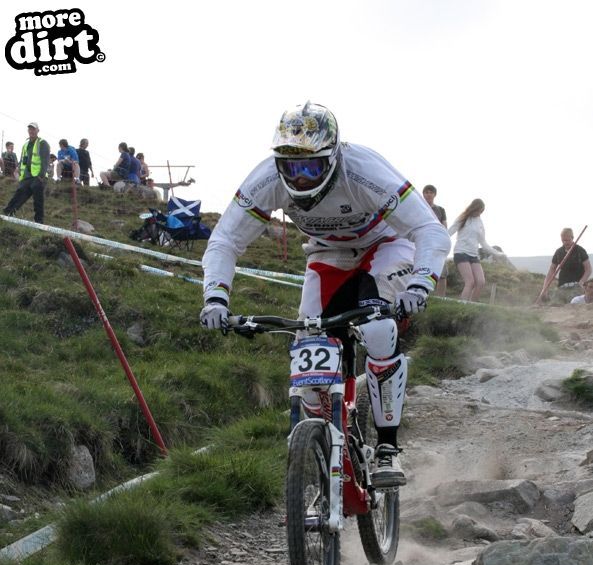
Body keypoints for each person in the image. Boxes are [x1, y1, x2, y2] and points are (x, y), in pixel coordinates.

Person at [200, 102, 450, 487]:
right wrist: (216, 296)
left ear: (332, 157)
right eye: (290, 167)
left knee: (380, 329)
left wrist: (420, 284)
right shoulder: (265, 180)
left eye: (310, 167)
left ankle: (387, 449)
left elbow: (430, 231)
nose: (299, 179)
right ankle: (319, 448)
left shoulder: (364, 171)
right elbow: (225, 240)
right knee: (307, 353)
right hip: (328, 255)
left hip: (386, 247)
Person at [448, 198, 504, 301]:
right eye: (478, 210)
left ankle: (471, 305)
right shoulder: (462, 218)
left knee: (481, 282)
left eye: (481, 211)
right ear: (473, 208)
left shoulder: (480, 223)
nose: (479, 213)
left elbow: (483, 242)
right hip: (461, 252)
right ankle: (462, 306)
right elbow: (449, 232)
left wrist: (497, 253)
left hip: (474, 255)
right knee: (470, 282)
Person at [3, 122, 50, 224]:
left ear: (38, 130)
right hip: (27, 177)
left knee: (38, 201)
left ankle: (39, 222)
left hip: (38, 177)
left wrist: (40, 176)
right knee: (18, 195)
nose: (31, 131)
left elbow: (45, 160)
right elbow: (23, 159)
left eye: (33, 129)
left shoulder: (42, 143)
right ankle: (7, 214)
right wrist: (18, 168)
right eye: (30, 129)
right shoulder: (25, 144)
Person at [539, 228, 591, 305]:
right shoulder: (559, 252)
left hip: (577, 286)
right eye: (563, 240)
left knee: (574, 302)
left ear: (572, 238)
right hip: (562, 287)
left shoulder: (580, 251)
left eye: (567, 240)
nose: (565, 242)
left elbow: (588, 269)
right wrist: (544, 289)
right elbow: (551, 270)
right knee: (553, 303)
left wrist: (581, 282)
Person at [422, 184, 448, 295]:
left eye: (431, 192)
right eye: (426, 192)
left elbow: (444, 227)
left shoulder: (440, 210)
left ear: (434, 194)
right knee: (420, 270)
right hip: (422, 242)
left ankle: (440, 298)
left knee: (442, 272)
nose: (428, 194)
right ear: (423, 194)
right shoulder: (419, 207)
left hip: (438, 243)